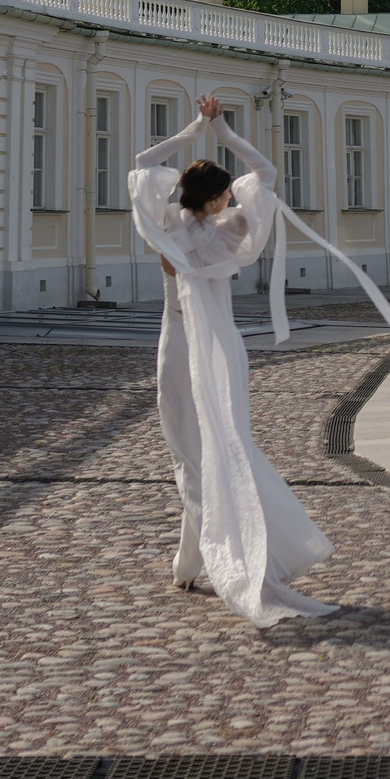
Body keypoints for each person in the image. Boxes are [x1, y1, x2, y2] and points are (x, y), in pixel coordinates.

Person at [130, 95, 337, 627]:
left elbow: (142, 164)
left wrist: (195, 128)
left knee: (196, 458)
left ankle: (222, 561)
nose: (230, 198)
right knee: (211, 454)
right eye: (224, 192)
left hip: (180, 350)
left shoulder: (168, 228)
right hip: (219, 348)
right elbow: (264, 172)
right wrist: (219, 131)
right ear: (215, 197)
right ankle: (190, 560)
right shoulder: (228, 231)